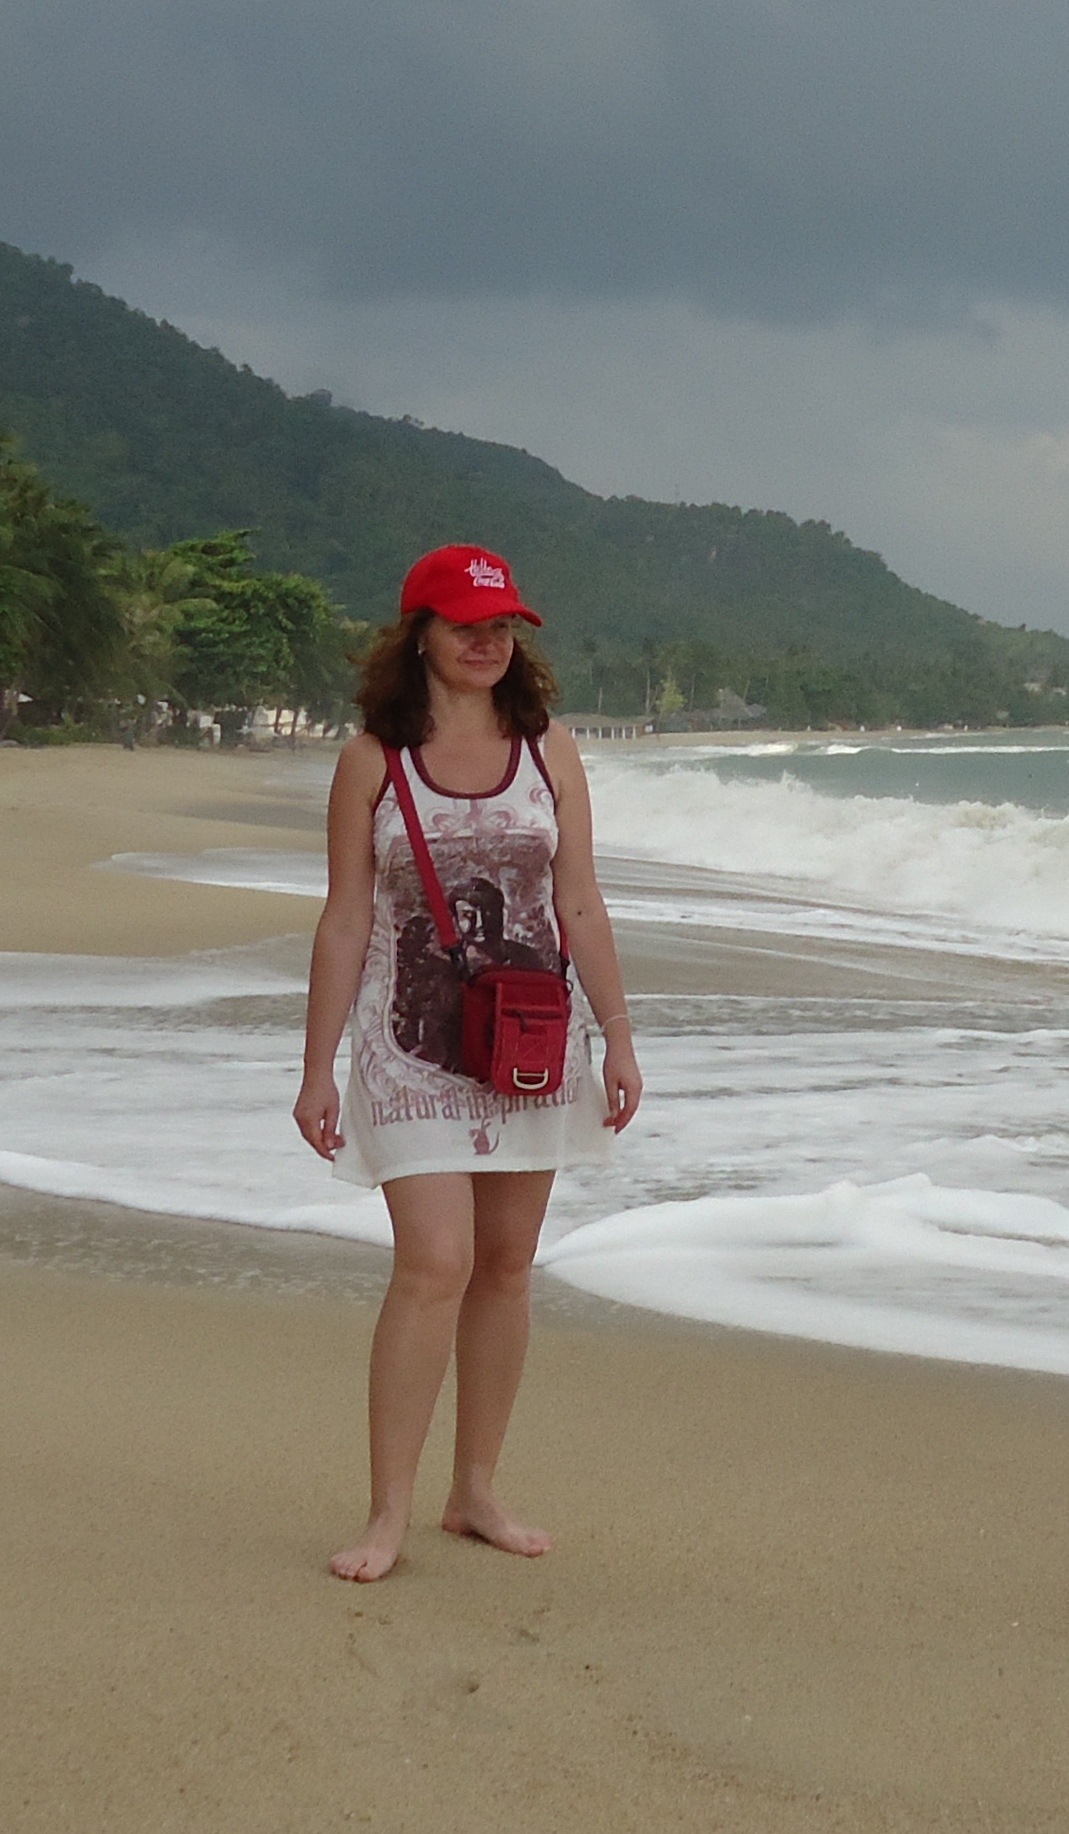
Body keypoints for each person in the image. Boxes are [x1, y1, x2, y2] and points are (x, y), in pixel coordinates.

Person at [293, 544, 642, 1582]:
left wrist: (619, 1035)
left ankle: (475, 1489)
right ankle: (386, 1514)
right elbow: (345, 920)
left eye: (500, 626)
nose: (486, 641)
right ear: (420, 636)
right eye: (464, 625)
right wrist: (317, 1068)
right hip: (409, 1047)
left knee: (505, 1266)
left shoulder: (549, 750)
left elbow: (579, 902)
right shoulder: (372, 760)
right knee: (435, 1263)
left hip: (529, 1044)